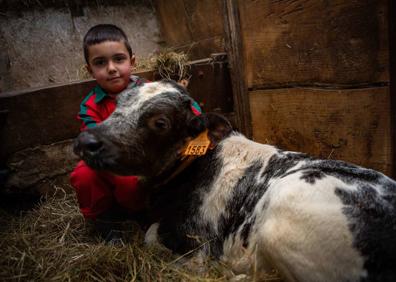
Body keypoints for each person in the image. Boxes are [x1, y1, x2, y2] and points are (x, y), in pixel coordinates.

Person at [70, 24, 147, 242]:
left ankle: (144, 214)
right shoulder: (91, 106)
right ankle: (105, 220)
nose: (111, 68)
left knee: (133, 182)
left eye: (119, 59)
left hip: (144, 158)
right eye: (101, 63)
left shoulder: (149, 92)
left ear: (132, 62)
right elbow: (95, 145)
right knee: (83, 174)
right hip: (109, 160)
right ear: (90, 70)